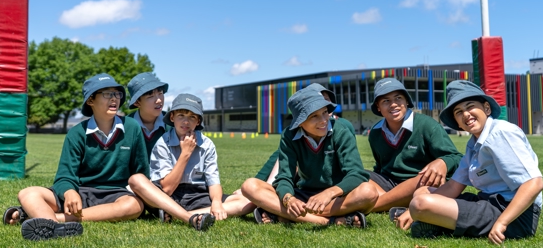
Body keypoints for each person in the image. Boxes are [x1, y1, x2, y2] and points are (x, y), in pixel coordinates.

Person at [2, 73, 150, 241]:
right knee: (28, 193)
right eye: (107, 94)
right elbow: (64, 176)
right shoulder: (76, 133)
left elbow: (141, 173)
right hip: (80, 194)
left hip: (116, 195)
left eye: (117, 93)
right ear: (90, 101)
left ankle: (48, 219)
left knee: (134, 206)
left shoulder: (132, 128)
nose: (114, 98)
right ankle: (50, 222)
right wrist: (70, 192)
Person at [408, 80, 543, 245]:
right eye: (458, 112)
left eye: (470, 106)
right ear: (457, 122)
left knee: (421, 203)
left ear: (486, 108)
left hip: (516, 215)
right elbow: (453, 187)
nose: (466, 114)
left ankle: (436, 223)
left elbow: (534, 183)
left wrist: (502, 223)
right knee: (421, 193)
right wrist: (412, 210)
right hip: (489, 202)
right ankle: (435, 223)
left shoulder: (501, 133)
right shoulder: (473, 144)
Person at [241, 85, 378, 227]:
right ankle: (331, 221)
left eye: (325, 112)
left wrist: (329, 193)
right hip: (303, 195)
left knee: (369, 192)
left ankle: (285, 215)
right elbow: (284, 177)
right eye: (314, 116)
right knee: (249, 186)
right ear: (299, 122)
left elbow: (357, 174)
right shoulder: (289, 135)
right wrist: (289, 199)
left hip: (337, 197)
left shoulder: (341, 130)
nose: (324, 120)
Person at [129, 93, 253, 230]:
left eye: (192, 117)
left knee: (247, 202)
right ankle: (188, 216)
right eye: (181, 115)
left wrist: (217, 202)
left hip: (198, 195)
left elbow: (213, 182)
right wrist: (186, 153)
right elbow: (167, 189)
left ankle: (177, 215)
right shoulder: (163, 143)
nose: (186, 121)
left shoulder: (207, 144)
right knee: (137, 180)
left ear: (198, 121)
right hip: (169, 197)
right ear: (172, 117)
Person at [365, 78, 462, 229]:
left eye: (398, 98)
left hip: (420, 184)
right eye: (385, 101)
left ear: (406, 101)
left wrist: (443, 162)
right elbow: (380, 166)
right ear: (378, 107)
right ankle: (396, 203)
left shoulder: (427, 125)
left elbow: (457, 158)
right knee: (357, 174)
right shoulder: (375, 133)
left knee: (425, 176)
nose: (393, 104)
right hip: (389, 183)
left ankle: (369, 206)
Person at [126, 72, 169, 161]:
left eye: (160, 93)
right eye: (150, 96)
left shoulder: (173, 123)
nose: (158, 100)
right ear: (137, 102)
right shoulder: (125, 126)